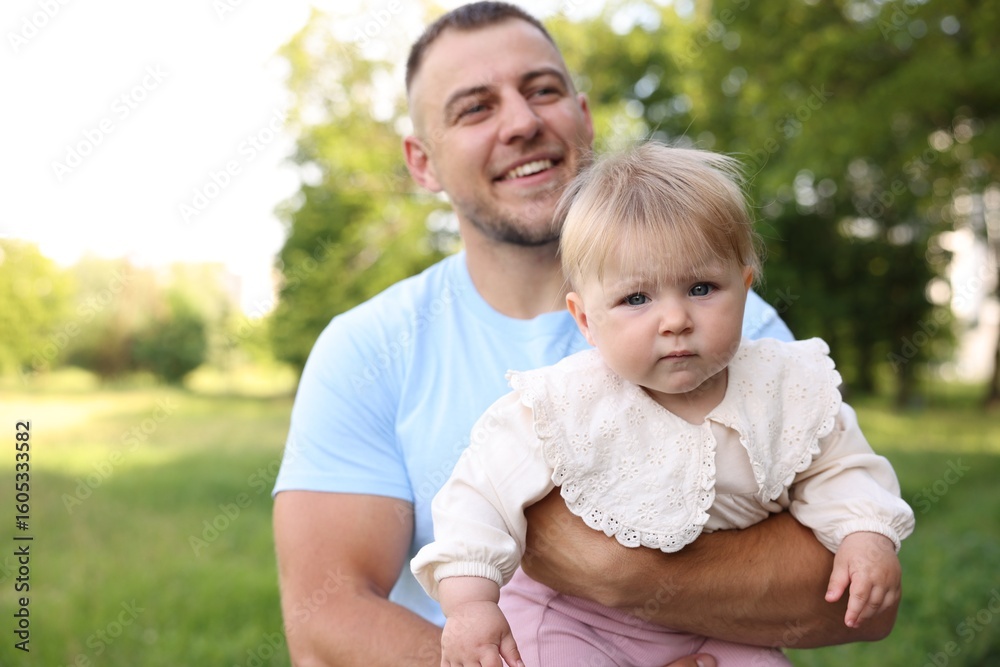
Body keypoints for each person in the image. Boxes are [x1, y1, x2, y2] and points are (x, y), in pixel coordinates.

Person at [271, 3, 903, 666]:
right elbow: (325, 619)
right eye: (475, 108)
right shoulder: (369, 348)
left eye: (542, 90)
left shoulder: (739, 338)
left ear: (584, 116)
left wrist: (625, 573)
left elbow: (856, 602)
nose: (522, 122)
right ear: (421, 162)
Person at [410, 143, 915, 667]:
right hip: (574, 618)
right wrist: (469, 602)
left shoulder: (784, 386)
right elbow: (479, 494)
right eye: (636, 299)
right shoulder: (563, 404)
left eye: (701, 287)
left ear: (745, 287)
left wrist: (864, 532)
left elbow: (840, 467)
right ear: (585, 320)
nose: (674, 319)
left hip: (715, 624)